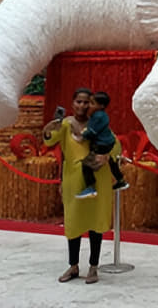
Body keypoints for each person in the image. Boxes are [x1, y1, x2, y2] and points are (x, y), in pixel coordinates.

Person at [43, 88, 120, 285]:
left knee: (96, 222)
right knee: (73, 222)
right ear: (72, 103)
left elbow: (116, 145)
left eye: (87, 102)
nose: (83, 106)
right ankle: (73, 265)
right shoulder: (66, 124)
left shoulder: (99, 121)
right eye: (79, 101)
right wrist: (50, 126)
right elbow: (49, 139)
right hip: (73, 181)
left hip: (98, 178)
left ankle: (94, 267)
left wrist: (106, 156)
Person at [76, 91, 128, 199]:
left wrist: (82, 135)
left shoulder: (98, 117)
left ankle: (90, 187)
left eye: (92, 103)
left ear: (101, 106)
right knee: (111, 161)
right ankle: (120, 180)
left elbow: (92, 132)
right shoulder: (100, 115)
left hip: (102, 144)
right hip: (109, 142)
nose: (89, 105)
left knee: (86, 165)